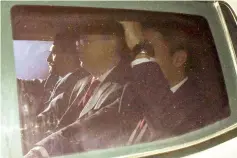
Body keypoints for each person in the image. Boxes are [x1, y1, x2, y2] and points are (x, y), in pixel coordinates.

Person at [24, 20, 229, 158]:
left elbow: (166, 121)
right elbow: (89, 127)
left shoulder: (206, 109)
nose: (136, 58)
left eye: (147, 50)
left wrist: (139, 49)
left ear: (178, 59)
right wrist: (43, 150)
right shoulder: (135, 93)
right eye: (136, 51)